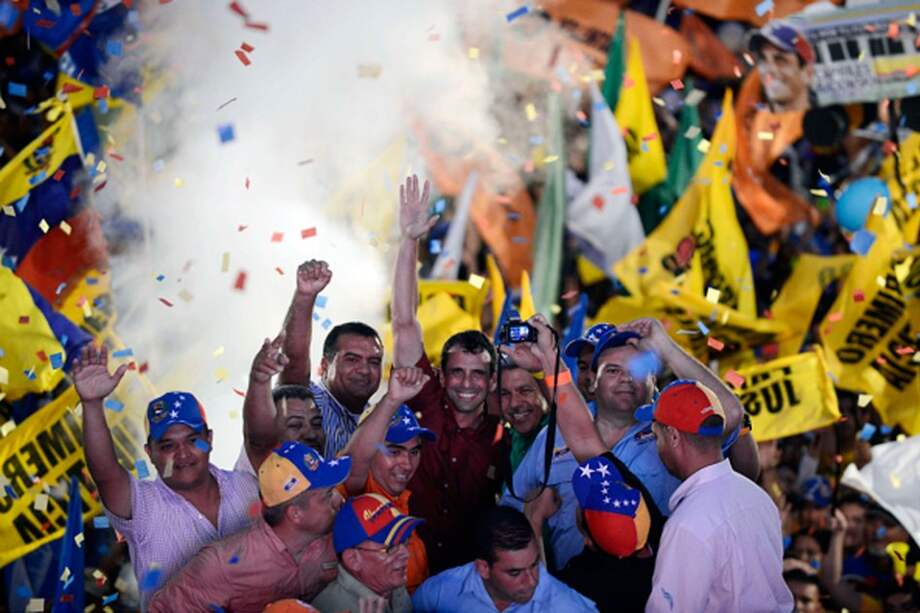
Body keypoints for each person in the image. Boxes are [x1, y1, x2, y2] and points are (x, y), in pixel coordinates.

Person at [504, 315, 761, 570]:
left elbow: (731, 415)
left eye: (638, 370)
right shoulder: (555, 433)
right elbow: (511, 510)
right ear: (592, 382)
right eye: (613, 371)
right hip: (567, 596)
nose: (626, 379)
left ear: (654, 381)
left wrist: (666, 349)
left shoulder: (674, 432)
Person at [72, 344, 259, 609]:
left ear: (210, 438)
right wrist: (92, 405)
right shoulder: (143, 506)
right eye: (168, 446)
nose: (182, 454)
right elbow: (105, 473)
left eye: (192, 440)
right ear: (150, 452)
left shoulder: (247, 487)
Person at [391, 174, 506, 572]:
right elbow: (405, 322)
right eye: (458, 372)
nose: (468, 384)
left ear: (492, 381)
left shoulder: (505, 434)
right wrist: (409, 240)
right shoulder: (424, 399)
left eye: (478, 374)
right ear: (441, 375)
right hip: (401, 568)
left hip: (465, 580)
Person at [638, 379, 793, 612]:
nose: (656, 446)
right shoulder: (758, 497)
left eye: (656, 437)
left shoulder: (688, 523)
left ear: (673, 436)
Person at [148, 441, 349, 612]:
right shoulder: (221, 564)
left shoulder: (338, 535)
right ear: (295, 514)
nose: (338, 499)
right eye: (328, 495)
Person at [243, 258, 384, 462]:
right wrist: (305, 297)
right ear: (324, 367)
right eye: (352, 359)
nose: (364, 370)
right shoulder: (309, 403)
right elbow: (293, 366)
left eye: (374, 362)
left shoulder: (379, 420)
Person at [339, 366, 433, 592]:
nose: (407, 464)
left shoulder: (404, 499)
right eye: (394, 451)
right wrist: (391, 400)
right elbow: (354, 460)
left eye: (414, 452)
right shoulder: (358, 492)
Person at [412, 506, 598, 612]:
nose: (532, 580)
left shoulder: (568, 606)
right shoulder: (437, 593)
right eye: (515, 572)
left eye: (534, 565)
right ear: (483, 568)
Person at [312, 493, 421, 613]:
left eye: (405, 541)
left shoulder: (390, 584)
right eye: (390, 548)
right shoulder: (332, 608)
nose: (406, 554)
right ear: (353, 560)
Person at [241, 333, 326, 476]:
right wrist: (259, 379)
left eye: (316, 423)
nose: (311, 434)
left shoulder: (328, 475)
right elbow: (260, 437)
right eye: (294, 425)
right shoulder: (264, 458)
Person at [749, 19, 815, 113]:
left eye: (781, 60)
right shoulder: (751, 121)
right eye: (763, 59)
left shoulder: (829, 124)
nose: (769, 70)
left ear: (808, 73)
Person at [497, 358, 547, 473]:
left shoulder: (563, 435)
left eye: (525, 390)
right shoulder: (503, 443)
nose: (514, 403)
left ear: (544, 392)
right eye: (505, 394)